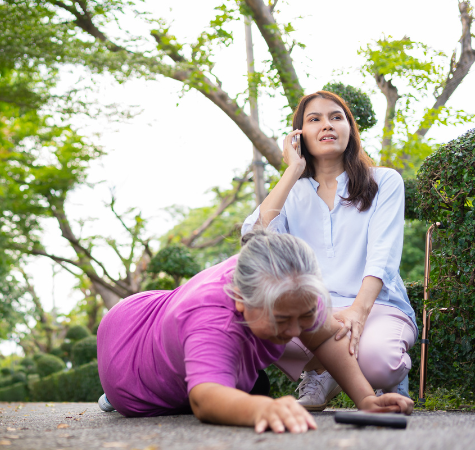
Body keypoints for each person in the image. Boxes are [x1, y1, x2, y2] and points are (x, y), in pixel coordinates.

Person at [96, 230, 413, 433]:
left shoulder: (292, 282)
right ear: (241, 301)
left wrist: (366, 400)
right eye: (281, 320)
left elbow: (327, 336)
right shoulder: (212, 316)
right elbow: (204, 401)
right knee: (248, 395)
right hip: (128, 355)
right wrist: (264, 407)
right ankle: (110, 397)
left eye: (303, 317)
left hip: (168, 321)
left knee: (246, 388)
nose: (294, 332)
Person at [241, 90, 417, 411]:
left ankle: (385, 378)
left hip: (377, 305)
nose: (327, 125)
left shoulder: (385, 181)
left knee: (381, 363)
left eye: (337, 117)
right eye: (315, 119)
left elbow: (383, 256)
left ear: (350, 130)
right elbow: (254, 240)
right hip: (314, 313)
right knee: (255, 331)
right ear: (299, 136)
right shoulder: (291, 193)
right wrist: (292, 171)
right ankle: (321, 370)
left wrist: (356, 313)